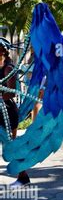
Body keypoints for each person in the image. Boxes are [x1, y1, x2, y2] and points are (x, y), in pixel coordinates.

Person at [0, 38, 30, 187]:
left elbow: (11, 93)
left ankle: (23, 176)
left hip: (7, 113)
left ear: (2, 50)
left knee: (11, 147)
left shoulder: (8, 68)